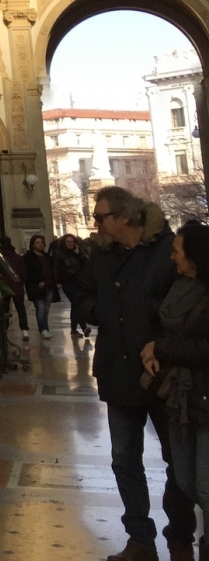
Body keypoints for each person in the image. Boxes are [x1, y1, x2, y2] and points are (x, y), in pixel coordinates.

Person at [76, 186, 196, 561]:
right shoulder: (101, 255)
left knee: (177, 459)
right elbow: (80, 293)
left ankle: (180, 532)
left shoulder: (165, 250)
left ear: (125, 217)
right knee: (124, 458)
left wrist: (159, 333)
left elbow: (186, 302)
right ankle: (140, 539)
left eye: (100, 217)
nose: (95, 223)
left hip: (161, 374)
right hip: (116, 370)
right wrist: (96, 311)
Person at [142, 220, 209, 528]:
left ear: (194, 256)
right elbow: (165, 329)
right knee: (185, 479)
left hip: (203, 396)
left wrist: (162, 348)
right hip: (179, 398)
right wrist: (154, 347)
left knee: (205, 487)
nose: (172, 257)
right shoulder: (179, 287)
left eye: (177, 251)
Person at [54, 233, 91, 338]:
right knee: (76, 303)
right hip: (67, 282)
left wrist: (79, 254)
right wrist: (57, 282)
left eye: (72, 241)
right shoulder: (59, 253)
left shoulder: (79, 252)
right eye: (67, 241)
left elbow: (87, 263)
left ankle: (74, 330)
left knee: (76, 305)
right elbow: (55, 268)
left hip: (79, 282)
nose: (70, 243)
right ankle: (83, 327)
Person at [23, 233, 56, 340]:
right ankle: (44, 329)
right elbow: (28, 273)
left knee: (45, 310)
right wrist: (37, 282)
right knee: (40, 308)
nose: (40, 244)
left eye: (42, 242)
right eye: (37, 242)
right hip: (36, 288)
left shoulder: (47, 257)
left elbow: (51, 271)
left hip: (49, 286)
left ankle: (44, 328)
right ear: (33, 244)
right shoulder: (28, 258)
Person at [0, 236, 30, 342]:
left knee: (4, 309)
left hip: (4, 287)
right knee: (20, 308)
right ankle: (24, 330)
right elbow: (24, 272)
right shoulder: (17, 257)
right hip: (17, 286)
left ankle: (3, 331)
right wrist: (20, 282)